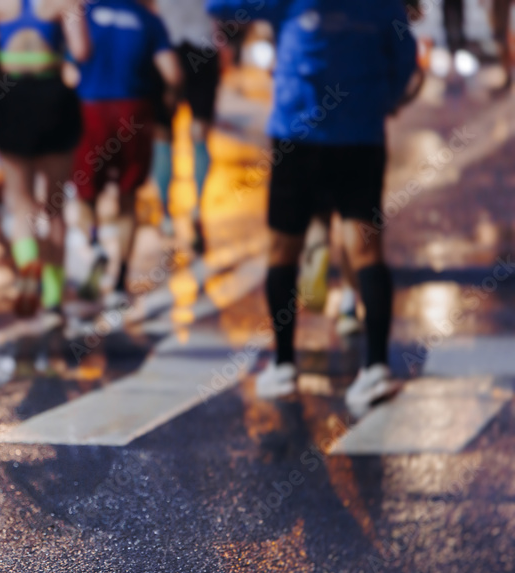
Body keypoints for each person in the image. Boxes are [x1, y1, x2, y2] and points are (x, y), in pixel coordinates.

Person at [206, 0, 419, 413]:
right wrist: (384, 100)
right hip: (359, 135)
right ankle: (375, 368)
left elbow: (218, 5)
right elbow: (406, 57)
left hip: (298, 136)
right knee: (365, 249)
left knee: (283, 249)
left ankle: (285, 364)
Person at [0, 0, 91, 318]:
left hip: (12, 97)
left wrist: (2, 48)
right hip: (53, 97)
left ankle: (28, 261)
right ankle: (52, 294)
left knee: (20, 201)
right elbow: (82, 50)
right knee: (55, 206)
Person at [71, 0, 181, 311]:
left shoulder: (84, 15)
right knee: (128, 197)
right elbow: (172, 73)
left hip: (90, 111)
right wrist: (170, 99)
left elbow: (69, 66)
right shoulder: (147, 20)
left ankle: (93, 246)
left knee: (85, 193)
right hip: (134, 112)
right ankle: (120, 279)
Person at [154, 0, 223, 255]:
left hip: (167, 48)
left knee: (163, 135)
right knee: (200, 134)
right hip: (203, 46)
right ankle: (196, 208)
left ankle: (166, 214)